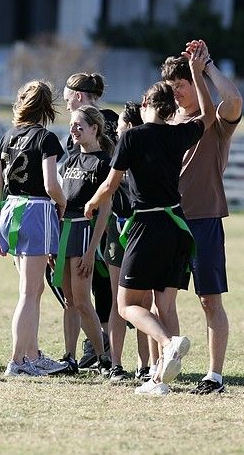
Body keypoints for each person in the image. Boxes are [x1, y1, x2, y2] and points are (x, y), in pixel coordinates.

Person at [84, 41, 215, 395]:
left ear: (145, 106)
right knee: (165, 303)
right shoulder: (177, 134)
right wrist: (199, 78)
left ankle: (168, 343)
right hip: (177, 225)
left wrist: (92, 203)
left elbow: (111, 184)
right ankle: (159, 379)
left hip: (146, 225)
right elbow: (208, 116)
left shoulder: (131, 137)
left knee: (126, 305)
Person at [161, 40, 243, 394]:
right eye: (173, 87)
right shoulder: (167, 121)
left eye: (181, 86)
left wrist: (206, 67)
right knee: (161, 298)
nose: (177, 93)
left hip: (204, 218)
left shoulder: (214, 121)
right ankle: (164, 365)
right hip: (167, 220)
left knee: (209, 300)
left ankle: (214, 375)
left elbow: (236, 100)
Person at [0, 80, 68, 377]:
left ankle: (32, 354)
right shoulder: (45, 138)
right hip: (37, 210)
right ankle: (18, 361)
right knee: (29, 292)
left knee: (32, 289)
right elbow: (50, 184)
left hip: (10, 209)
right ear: (47, 106)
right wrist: (62, 203)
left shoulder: (7, 136)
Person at [54, 72, 119, 369]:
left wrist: (93, 249)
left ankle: (104, 356)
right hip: (64, 231)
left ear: (95, 128)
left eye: (79, 126)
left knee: (82, 300)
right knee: (68, 300)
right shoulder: (69, 159)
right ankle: (69, 358)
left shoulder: (104, 162)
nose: (74, 130)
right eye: (72, 126)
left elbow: (104, 209)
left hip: (84, 232)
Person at [105, 101, 155, 382]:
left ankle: (144, 365)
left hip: (141, 228)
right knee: (117, 301)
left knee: (143, 301)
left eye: (122, 125)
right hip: (118, 227)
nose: (117, 130)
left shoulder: (147, 152)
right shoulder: (118, 152)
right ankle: (115, 364)